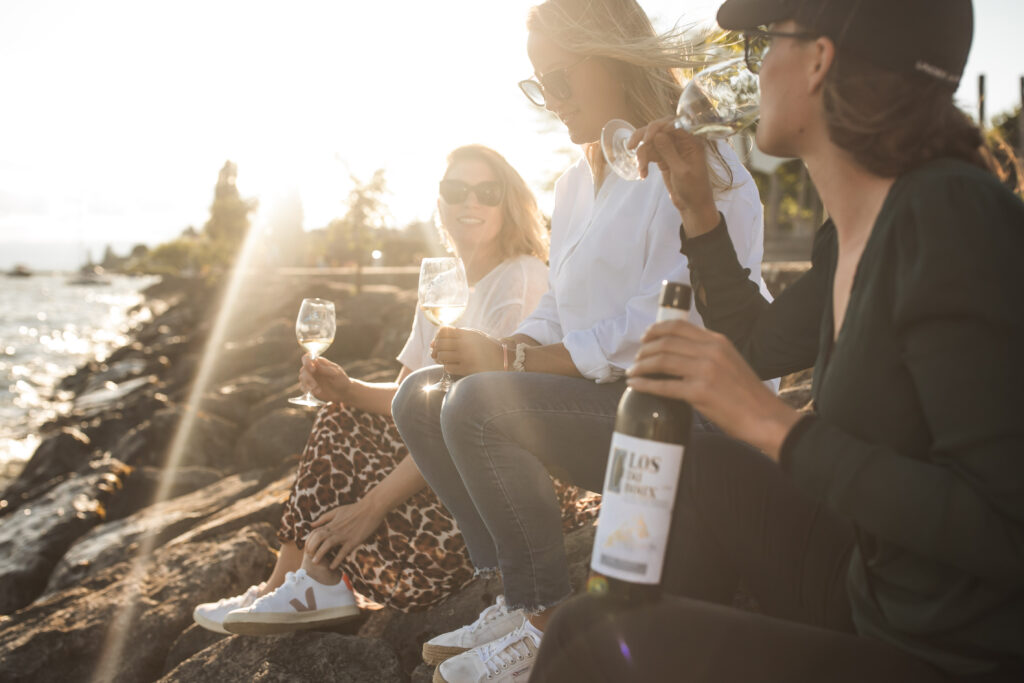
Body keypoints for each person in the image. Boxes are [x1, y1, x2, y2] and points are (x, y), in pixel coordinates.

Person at [529, 0, 1024, 681]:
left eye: (764, 47)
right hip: (870, 588)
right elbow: (757, 341)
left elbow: (1005, 526)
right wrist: (698, 211)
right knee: (691, 471)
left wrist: (776, 426)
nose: (750, 72)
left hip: (942, 652)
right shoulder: (853, 229)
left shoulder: (949, 215)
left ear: (819, 60)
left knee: (586, 640)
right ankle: (637, 630)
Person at [390, 1, 770, 680]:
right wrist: (501, 345)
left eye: (560, 80)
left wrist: (514, 362)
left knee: (476, 404)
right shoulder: (572, 184)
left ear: (614, 57)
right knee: (424, 394)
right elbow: (561, 306)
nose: (551, 102)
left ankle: (542, 615)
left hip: (685, 412)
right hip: (609, 398)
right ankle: (515, 588)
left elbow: (667, 320)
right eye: (539, 86)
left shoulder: (696, 162)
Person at [191, 144, 599, 635]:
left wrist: (370, 508)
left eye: (486, 192)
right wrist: (347, 387)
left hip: (499, 474)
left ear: (508, 202)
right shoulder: (443, 283)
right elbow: (413, 398)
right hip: (449, 448)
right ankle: (294, 581)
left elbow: (471, 422)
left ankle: (310, 582)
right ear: (441, 201)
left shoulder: (521, 279)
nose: (470, 203)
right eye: (456, 190)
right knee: (341, 415)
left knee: (353, 443)